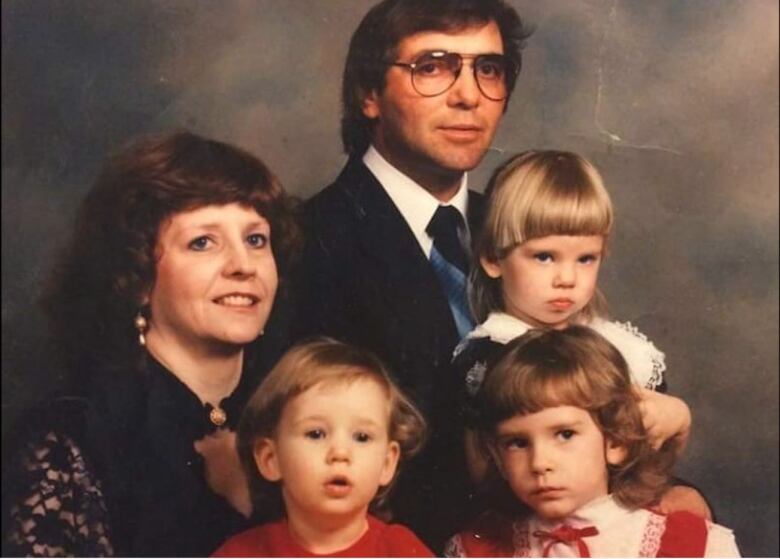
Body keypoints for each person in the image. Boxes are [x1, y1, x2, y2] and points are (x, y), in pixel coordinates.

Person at [293, 0, 530, 548]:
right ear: (368, 95)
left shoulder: (522, 228)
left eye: (487, 69)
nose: (468, 94)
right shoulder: (306, 241)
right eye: (433, 66)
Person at [1, 131, 301, 556]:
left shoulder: (305, 411)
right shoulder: (70, 441)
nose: (243, 266)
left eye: (256, 239)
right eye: (203, 242)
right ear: (138, 277)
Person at [454, 150, 709, 516]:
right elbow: (494, 481)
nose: (567, 279)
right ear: (494, 259)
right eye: (544, 257)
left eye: (585, 259)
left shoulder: (620, 346)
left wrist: (676, 417)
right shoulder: (492, 353)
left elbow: (649, 461)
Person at [445, 327, 740, 557]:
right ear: (497, 454)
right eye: (518, 442)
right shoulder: (474, 550)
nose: (540, 463)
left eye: (564, 434)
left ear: (615, 441)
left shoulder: (690, 545)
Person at [212, 337, 431, 557]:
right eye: (316, 434)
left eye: (362, 437)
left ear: (387, 463)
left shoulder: (400, 550)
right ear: (271, 458)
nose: (340, 453)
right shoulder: (242, 552)